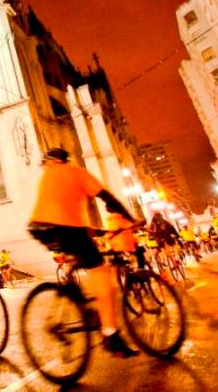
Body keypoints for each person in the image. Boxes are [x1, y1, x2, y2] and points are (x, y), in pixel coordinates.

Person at [28, 147, 139, 357]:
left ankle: (74, 295)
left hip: (39, 228)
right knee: (99, 271)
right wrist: (130, 218)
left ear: (48, 161)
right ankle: (110, 334)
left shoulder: (47, 176)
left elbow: (61, 210)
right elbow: (107, 197)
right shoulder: (75, 171)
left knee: (77, 253)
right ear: (65, 160)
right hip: (67, 228)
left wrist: (96, 231)